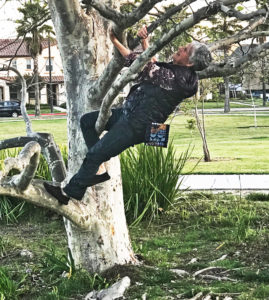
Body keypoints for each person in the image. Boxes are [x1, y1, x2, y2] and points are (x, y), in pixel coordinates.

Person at [44, 26, 212, 205]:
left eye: (185, 50)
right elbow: (154, 66)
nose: (180, 48)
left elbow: (138, 63)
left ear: (190, 63)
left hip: (137, 125)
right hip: (129, 114)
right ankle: (98, 170)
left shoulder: (174, 78)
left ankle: (68, 193)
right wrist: (144, 41)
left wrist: (115, 41)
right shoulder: (179, 75)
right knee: (87, 121)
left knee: (94, 155)